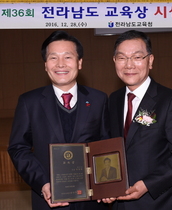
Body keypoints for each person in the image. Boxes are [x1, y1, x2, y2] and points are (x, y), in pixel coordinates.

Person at [8, 30, 109, 210]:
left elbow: (106, 145)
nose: (60, 64)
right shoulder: (29, 102)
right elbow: (18, 148)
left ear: (79, 63)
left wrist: (106, 185)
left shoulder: (98, 99)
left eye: (68, 57)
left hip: (92, 202)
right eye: (53, 58)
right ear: (45, 65)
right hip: (49, 200)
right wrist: (43, 183)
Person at [104, 30, 172, 210]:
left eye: (137, 57)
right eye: (122, 58)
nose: (129, 64)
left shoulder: (171, 101)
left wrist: (147, 184)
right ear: (114, 61)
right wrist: (105, 186)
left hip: (158, 201)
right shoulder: (113, 100)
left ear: (150, 60)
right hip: (119, 202)